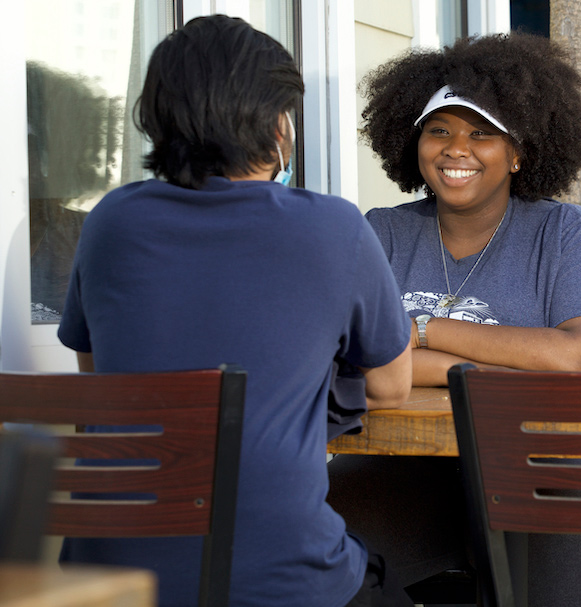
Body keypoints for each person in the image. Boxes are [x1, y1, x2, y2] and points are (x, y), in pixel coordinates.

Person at [56, 15, 413, 607]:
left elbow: (98, 382)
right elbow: (392, 385)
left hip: (106, 580)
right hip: (278, 578)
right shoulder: (332, 226)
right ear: (278, 124)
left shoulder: (111, 223)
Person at [326, 33, 581, 607]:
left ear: (518, 151)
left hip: (550, 466)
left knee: (555, 532)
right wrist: (472, 366)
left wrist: (421, 333)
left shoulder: (569, 233)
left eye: (482, 133)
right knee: (307, 537)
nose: (458, 149)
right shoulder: (379, 232)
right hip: (406, 471)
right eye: (440, 131)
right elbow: (346, 355)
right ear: (414, 143)